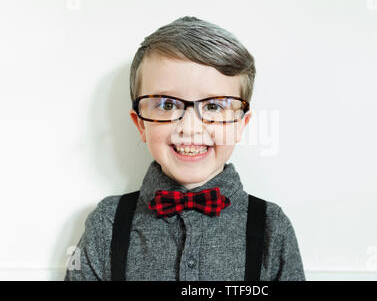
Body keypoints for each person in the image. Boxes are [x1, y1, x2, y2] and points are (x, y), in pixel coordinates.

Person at [65, 16, 306, 281]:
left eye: (214, 106)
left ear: (240, 124)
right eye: (167, 105)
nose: (189, 128)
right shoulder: (107, 224)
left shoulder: (272, 227)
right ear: (140, 124)